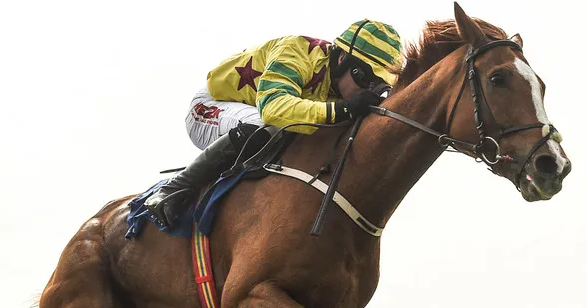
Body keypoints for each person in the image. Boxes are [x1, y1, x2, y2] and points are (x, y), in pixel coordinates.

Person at [145, 20, 404, 228]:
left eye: (377, 86)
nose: (366, 90)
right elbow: (273, 109)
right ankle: (173, 189)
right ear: (341, 60)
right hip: (211, 107)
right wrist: (343, 110)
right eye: (365, 78)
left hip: (253, 114)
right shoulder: (297, 51)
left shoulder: (340, 89)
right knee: (268, 129)